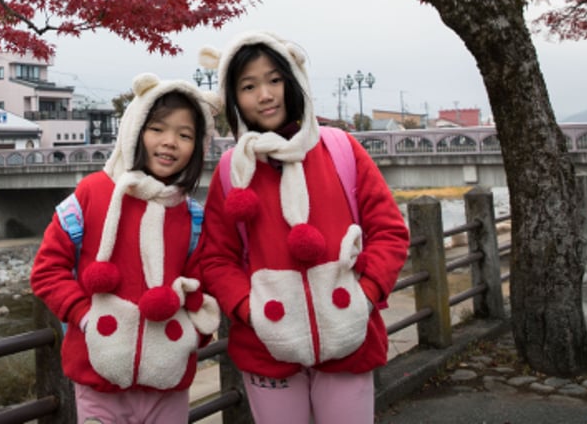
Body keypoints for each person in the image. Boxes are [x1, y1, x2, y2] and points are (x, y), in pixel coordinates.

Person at [197, 31, 409, 424]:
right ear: (233, 98)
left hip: (348, 339)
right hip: (267, 345)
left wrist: (364, 296)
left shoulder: (341, 150)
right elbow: (216, 257)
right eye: (249, 86)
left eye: (275, 79)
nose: (265, 94)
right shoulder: (232, 172)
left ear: (294, 80)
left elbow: (389, 231)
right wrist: (251, 310)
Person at [31, 73, 222, 424]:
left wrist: (193, 333)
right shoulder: (90, 195)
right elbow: (46, 271)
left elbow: (203, 285)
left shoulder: (192, 216)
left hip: (168, 377)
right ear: (134, 129)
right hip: (96, 376)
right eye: (157, 129)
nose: (169, 143)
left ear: (199, 145)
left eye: (185, 135)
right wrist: (87, 318)